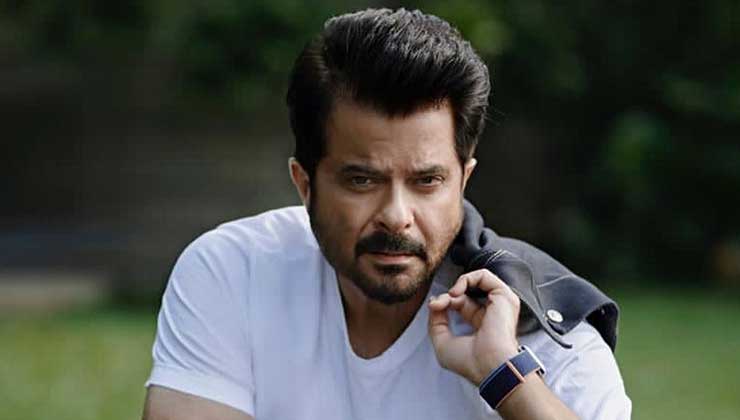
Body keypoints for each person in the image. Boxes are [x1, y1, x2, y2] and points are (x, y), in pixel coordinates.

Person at [142, 8, 631, 420]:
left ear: (463, 180)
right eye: (362, 181)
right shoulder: (234, 272)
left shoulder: (549, 333)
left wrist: (505, 375)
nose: (396, 216)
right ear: (305, 184)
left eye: (427, 181)